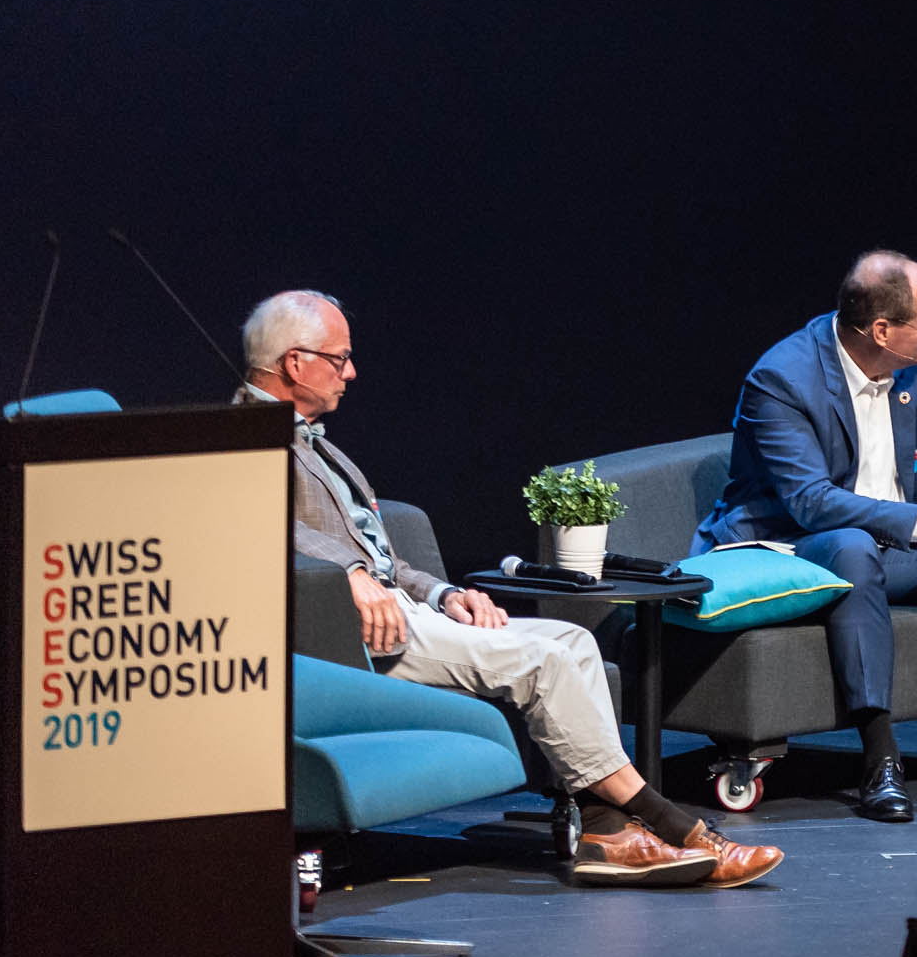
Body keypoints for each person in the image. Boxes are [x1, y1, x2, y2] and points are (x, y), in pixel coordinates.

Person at [238, 291, 780, 890]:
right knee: (545, 662)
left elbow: (385, 558)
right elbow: (262, 519)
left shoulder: (316, 441)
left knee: (573, 641)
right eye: (340, 359)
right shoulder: (244, 438)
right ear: (295, 363)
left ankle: (606, 833)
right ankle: (674, 823)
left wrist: (445, 594)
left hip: (410, 611)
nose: (352, 372)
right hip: (359, 635)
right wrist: (348, 573)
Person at [696, 251, 917, 825]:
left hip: (892, 545)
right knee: (852, 545)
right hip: (794, 546)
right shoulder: (782, 379)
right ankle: (880, 760)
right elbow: (811, 503)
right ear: (882, 330)